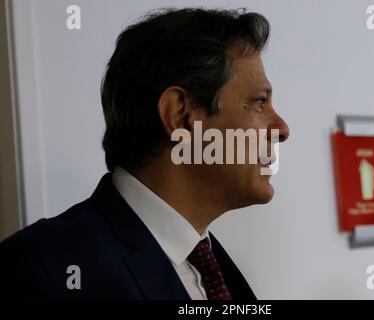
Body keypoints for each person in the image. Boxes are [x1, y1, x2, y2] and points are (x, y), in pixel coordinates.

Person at [0, 7, 289, 299]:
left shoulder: (217, 271)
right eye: (260, 102)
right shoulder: (40, 267)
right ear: (181, 116)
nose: (282, 128)